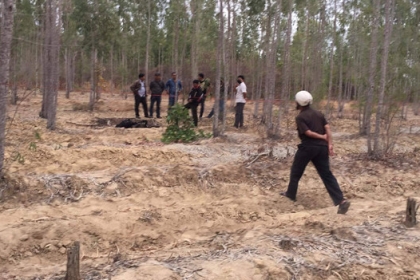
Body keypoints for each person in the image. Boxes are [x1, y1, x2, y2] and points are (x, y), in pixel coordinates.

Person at [280, 90, 351, 215]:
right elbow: (327, 128)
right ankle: (341, 201)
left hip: (308, 148)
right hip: (322, 149)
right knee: (327, 175)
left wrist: (323, 138)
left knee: (296, 172)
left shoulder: (300, 117)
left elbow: (308, 133)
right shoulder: (319, 114)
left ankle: (291, 194)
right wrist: (329, 144)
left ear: (299, 103)